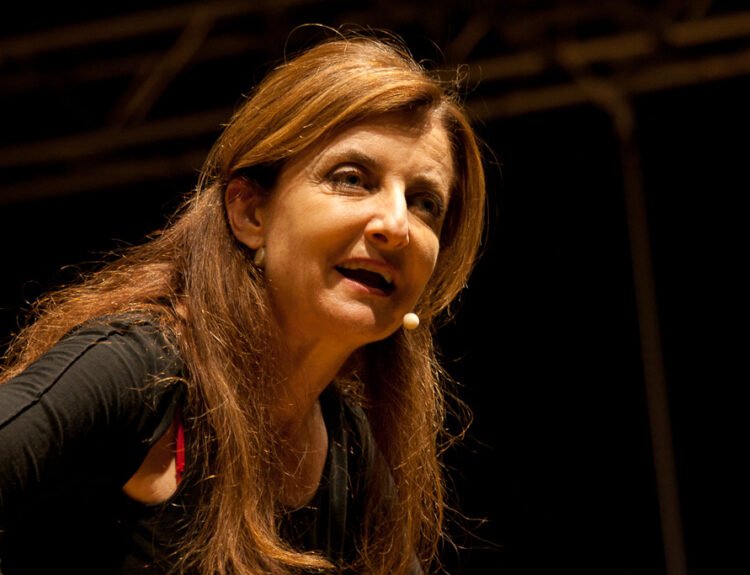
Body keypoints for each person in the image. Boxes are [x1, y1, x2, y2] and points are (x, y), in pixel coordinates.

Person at [0, 30, 486, 575]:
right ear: (251, 214)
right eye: (352, 179)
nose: (397, 225)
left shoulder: (350, 451)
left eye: (425, 203)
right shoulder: (139, 369)